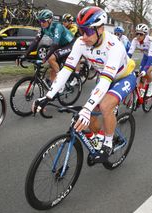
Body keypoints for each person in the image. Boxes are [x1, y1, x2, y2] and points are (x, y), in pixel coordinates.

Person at [32, 6, 136, 162]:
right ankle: (101, 136)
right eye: (81, 31)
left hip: (124, 77)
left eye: (87, 31)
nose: (83, 36)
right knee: (91, 114)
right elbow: (66, 71)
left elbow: (107, 80)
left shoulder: (115, 46)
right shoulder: (80, 43)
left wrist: (87, 108)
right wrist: (48, 96)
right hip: (104, 76)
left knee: (105, 105)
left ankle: (108, 145)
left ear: (100, 29)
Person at [16, 9, 75, 82]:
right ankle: (55, 88)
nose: (41, 23)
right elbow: (35, 41)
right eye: (40, 21)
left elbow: (55, 44)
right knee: (53, 67)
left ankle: (61, 82)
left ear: (50, 20)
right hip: (61, 45)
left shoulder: (57, 26)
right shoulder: (43, 28)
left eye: (43, 21)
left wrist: (45, 58)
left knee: (51, 59)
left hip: (70, 44)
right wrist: (25, 55)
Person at [128, 23, 152, 96]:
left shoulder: (151, 41)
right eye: (137, 34)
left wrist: (145, 69)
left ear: (145, 35)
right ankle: (142, 90)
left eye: (141, 34)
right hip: (146, 56)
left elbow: (150, 57)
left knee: (147, 71)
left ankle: (151, 85)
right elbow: (129, 54)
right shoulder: (135, 40)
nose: (138, 36)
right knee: (141, 74)